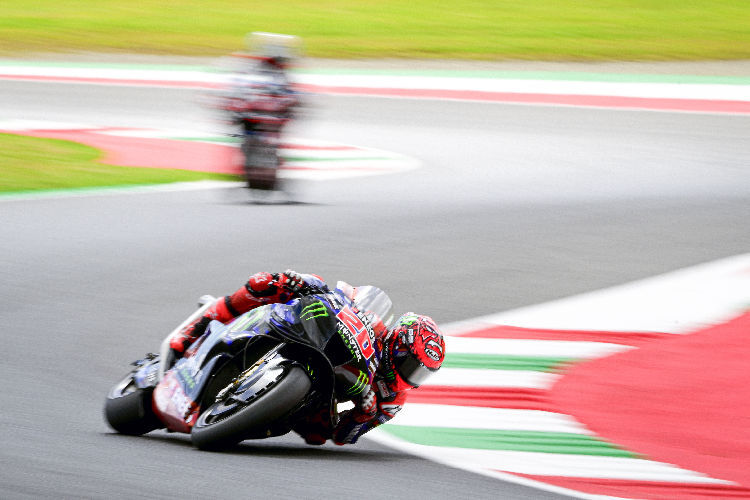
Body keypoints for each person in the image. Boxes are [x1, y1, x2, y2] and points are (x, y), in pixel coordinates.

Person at [165, 270, 446, 445]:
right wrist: (307, 284)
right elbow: (347, 297)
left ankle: (256, 412)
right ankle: (197, 328)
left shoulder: (393, 398)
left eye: (420, 373)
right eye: (410, 365)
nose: (410, 376)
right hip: (311, 337)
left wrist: (365, 412)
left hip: (319, 404)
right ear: (397, 344)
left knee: (316, 437)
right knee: (267, 282)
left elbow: (344, 437)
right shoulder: (377, 324)